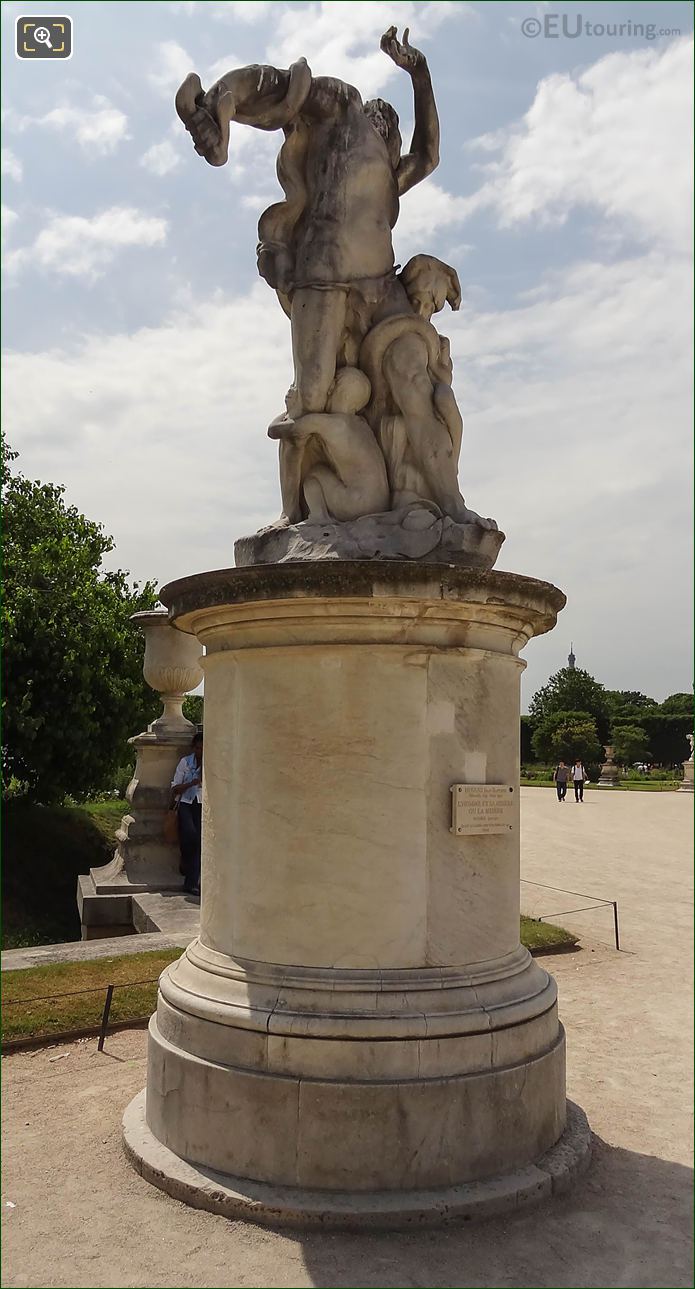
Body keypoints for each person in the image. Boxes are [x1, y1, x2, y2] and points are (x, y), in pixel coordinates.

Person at [171, 732, 203, 895]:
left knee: (198, 842)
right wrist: (192, 783)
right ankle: (185, 861)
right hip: (186, 803)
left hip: (202, 805)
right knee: (189, 835)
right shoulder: (185, 762)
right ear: (193, 748)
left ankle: (191, 882)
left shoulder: (209, 764)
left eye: (203, 749)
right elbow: (175, 788)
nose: (200, 752)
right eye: (198, 748)